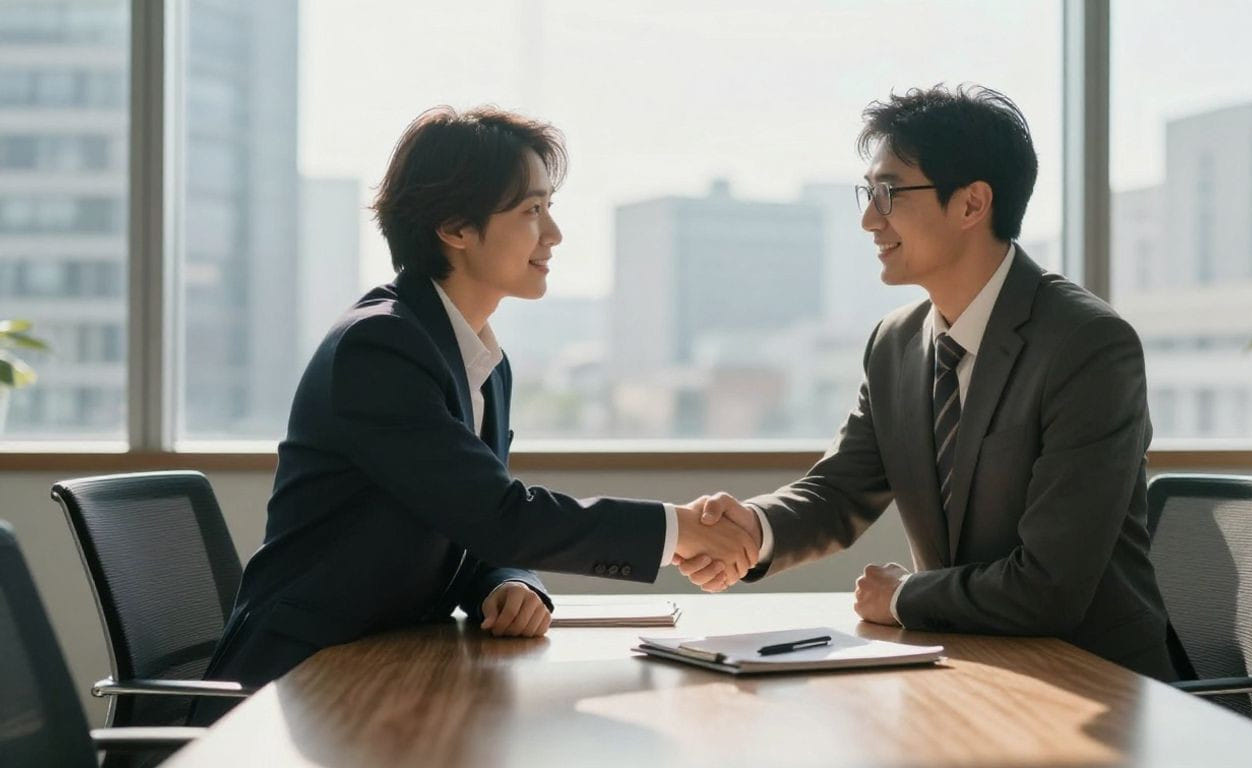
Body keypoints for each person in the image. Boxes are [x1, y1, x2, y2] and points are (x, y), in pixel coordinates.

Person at [196, 107, 758, 718]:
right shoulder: (379, 348)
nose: (554, 235)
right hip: (293, 689)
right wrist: (680, 530)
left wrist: (510, 582)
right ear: (455, 227)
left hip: (387, 675)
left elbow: (469, 519)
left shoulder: (477, 355)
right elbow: (497, 514)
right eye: (532, 211)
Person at [677, 85, 1177, 680]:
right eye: (868, 193)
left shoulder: (1087, 345)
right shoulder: (895, 343)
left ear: (971, 205)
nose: (868, 218)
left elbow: (1050, 587)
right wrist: (752, 531)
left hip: (1093, 681)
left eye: (888, 193)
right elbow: (841, 492)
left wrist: (901, 597)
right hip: (974, 667)